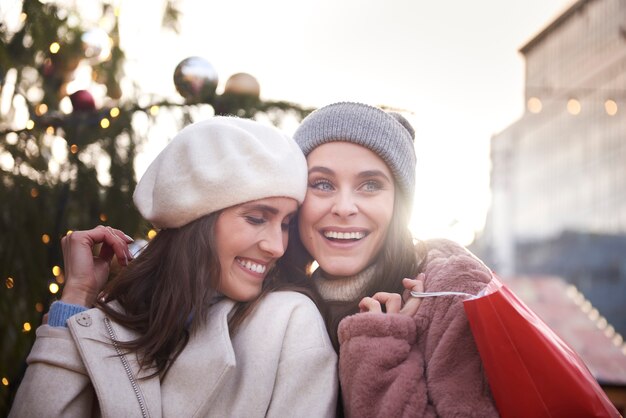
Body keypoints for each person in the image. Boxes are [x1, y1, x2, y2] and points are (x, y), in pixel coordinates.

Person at [9, 117, 338, 417]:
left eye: (285, 223)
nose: (277, 246)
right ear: (196, 218)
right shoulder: (110, 321)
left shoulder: (290, 322)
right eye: (256, 218)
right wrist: (77, 295)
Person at [284, 102, 500, 417]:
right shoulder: (287, 301)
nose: (344, 207)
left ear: (399, 204)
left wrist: (379, 348)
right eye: (322, 184)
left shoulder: (449, 292)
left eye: (370, 185)